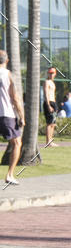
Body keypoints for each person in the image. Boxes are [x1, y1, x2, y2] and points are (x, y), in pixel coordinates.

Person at [0, 50, 25, 184]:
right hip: (6, 114)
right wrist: (21, 116)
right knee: (17, 143)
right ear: (7, 60)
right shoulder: (7, 74)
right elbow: (15, 97)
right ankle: (9, 175)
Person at [42, 67, 58, 146]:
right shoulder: (46, 82)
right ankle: (48, 141)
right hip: (48, 103)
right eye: (50, 73)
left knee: (53, 123)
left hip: (53, 103)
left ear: (55, 74)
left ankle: (51, 140)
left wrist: (55, 106)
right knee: (49, 123)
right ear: (48, 73)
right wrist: (48, 105)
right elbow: (46, 94)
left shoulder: (52, 83)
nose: (51, 74)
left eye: (52, 73)